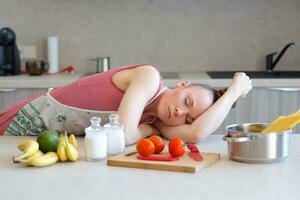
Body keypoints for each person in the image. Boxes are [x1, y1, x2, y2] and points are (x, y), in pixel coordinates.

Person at [0, 64, 252, 145]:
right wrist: (147, 132)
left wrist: (233, 93)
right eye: (186, 101)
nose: (179, 112)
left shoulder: (159, 122)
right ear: (182, 85)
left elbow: (196, 133)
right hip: (25, 120)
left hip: (44, 143)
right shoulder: (149, 77)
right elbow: (122, 132)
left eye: (187, 117)